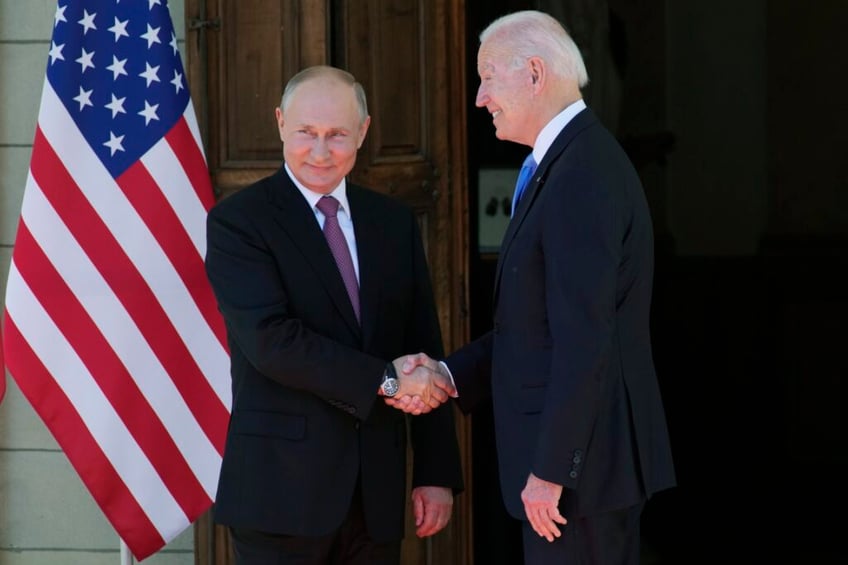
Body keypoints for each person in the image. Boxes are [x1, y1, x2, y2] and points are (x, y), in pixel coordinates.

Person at [390, 10, 675, 565]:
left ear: (536, 74)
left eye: (488, 76)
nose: (479, 97)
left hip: (582, 482)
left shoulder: (581, 175)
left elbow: (584, 336)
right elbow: (536, 329)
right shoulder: (564, 164)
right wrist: (447, 375)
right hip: (578, 480)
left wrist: (550, 471)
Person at [205, 65, 463, 565]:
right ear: (281, 123)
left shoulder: (393, 223)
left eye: (337, 135)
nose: (320, 151)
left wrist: (436, 471)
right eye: (306, 133)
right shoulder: (239, 222)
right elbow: (273, 343)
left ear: (363, 133)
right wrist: (386, 381)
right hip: (279, 498)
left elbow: (424, 344)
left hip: (376, 496)